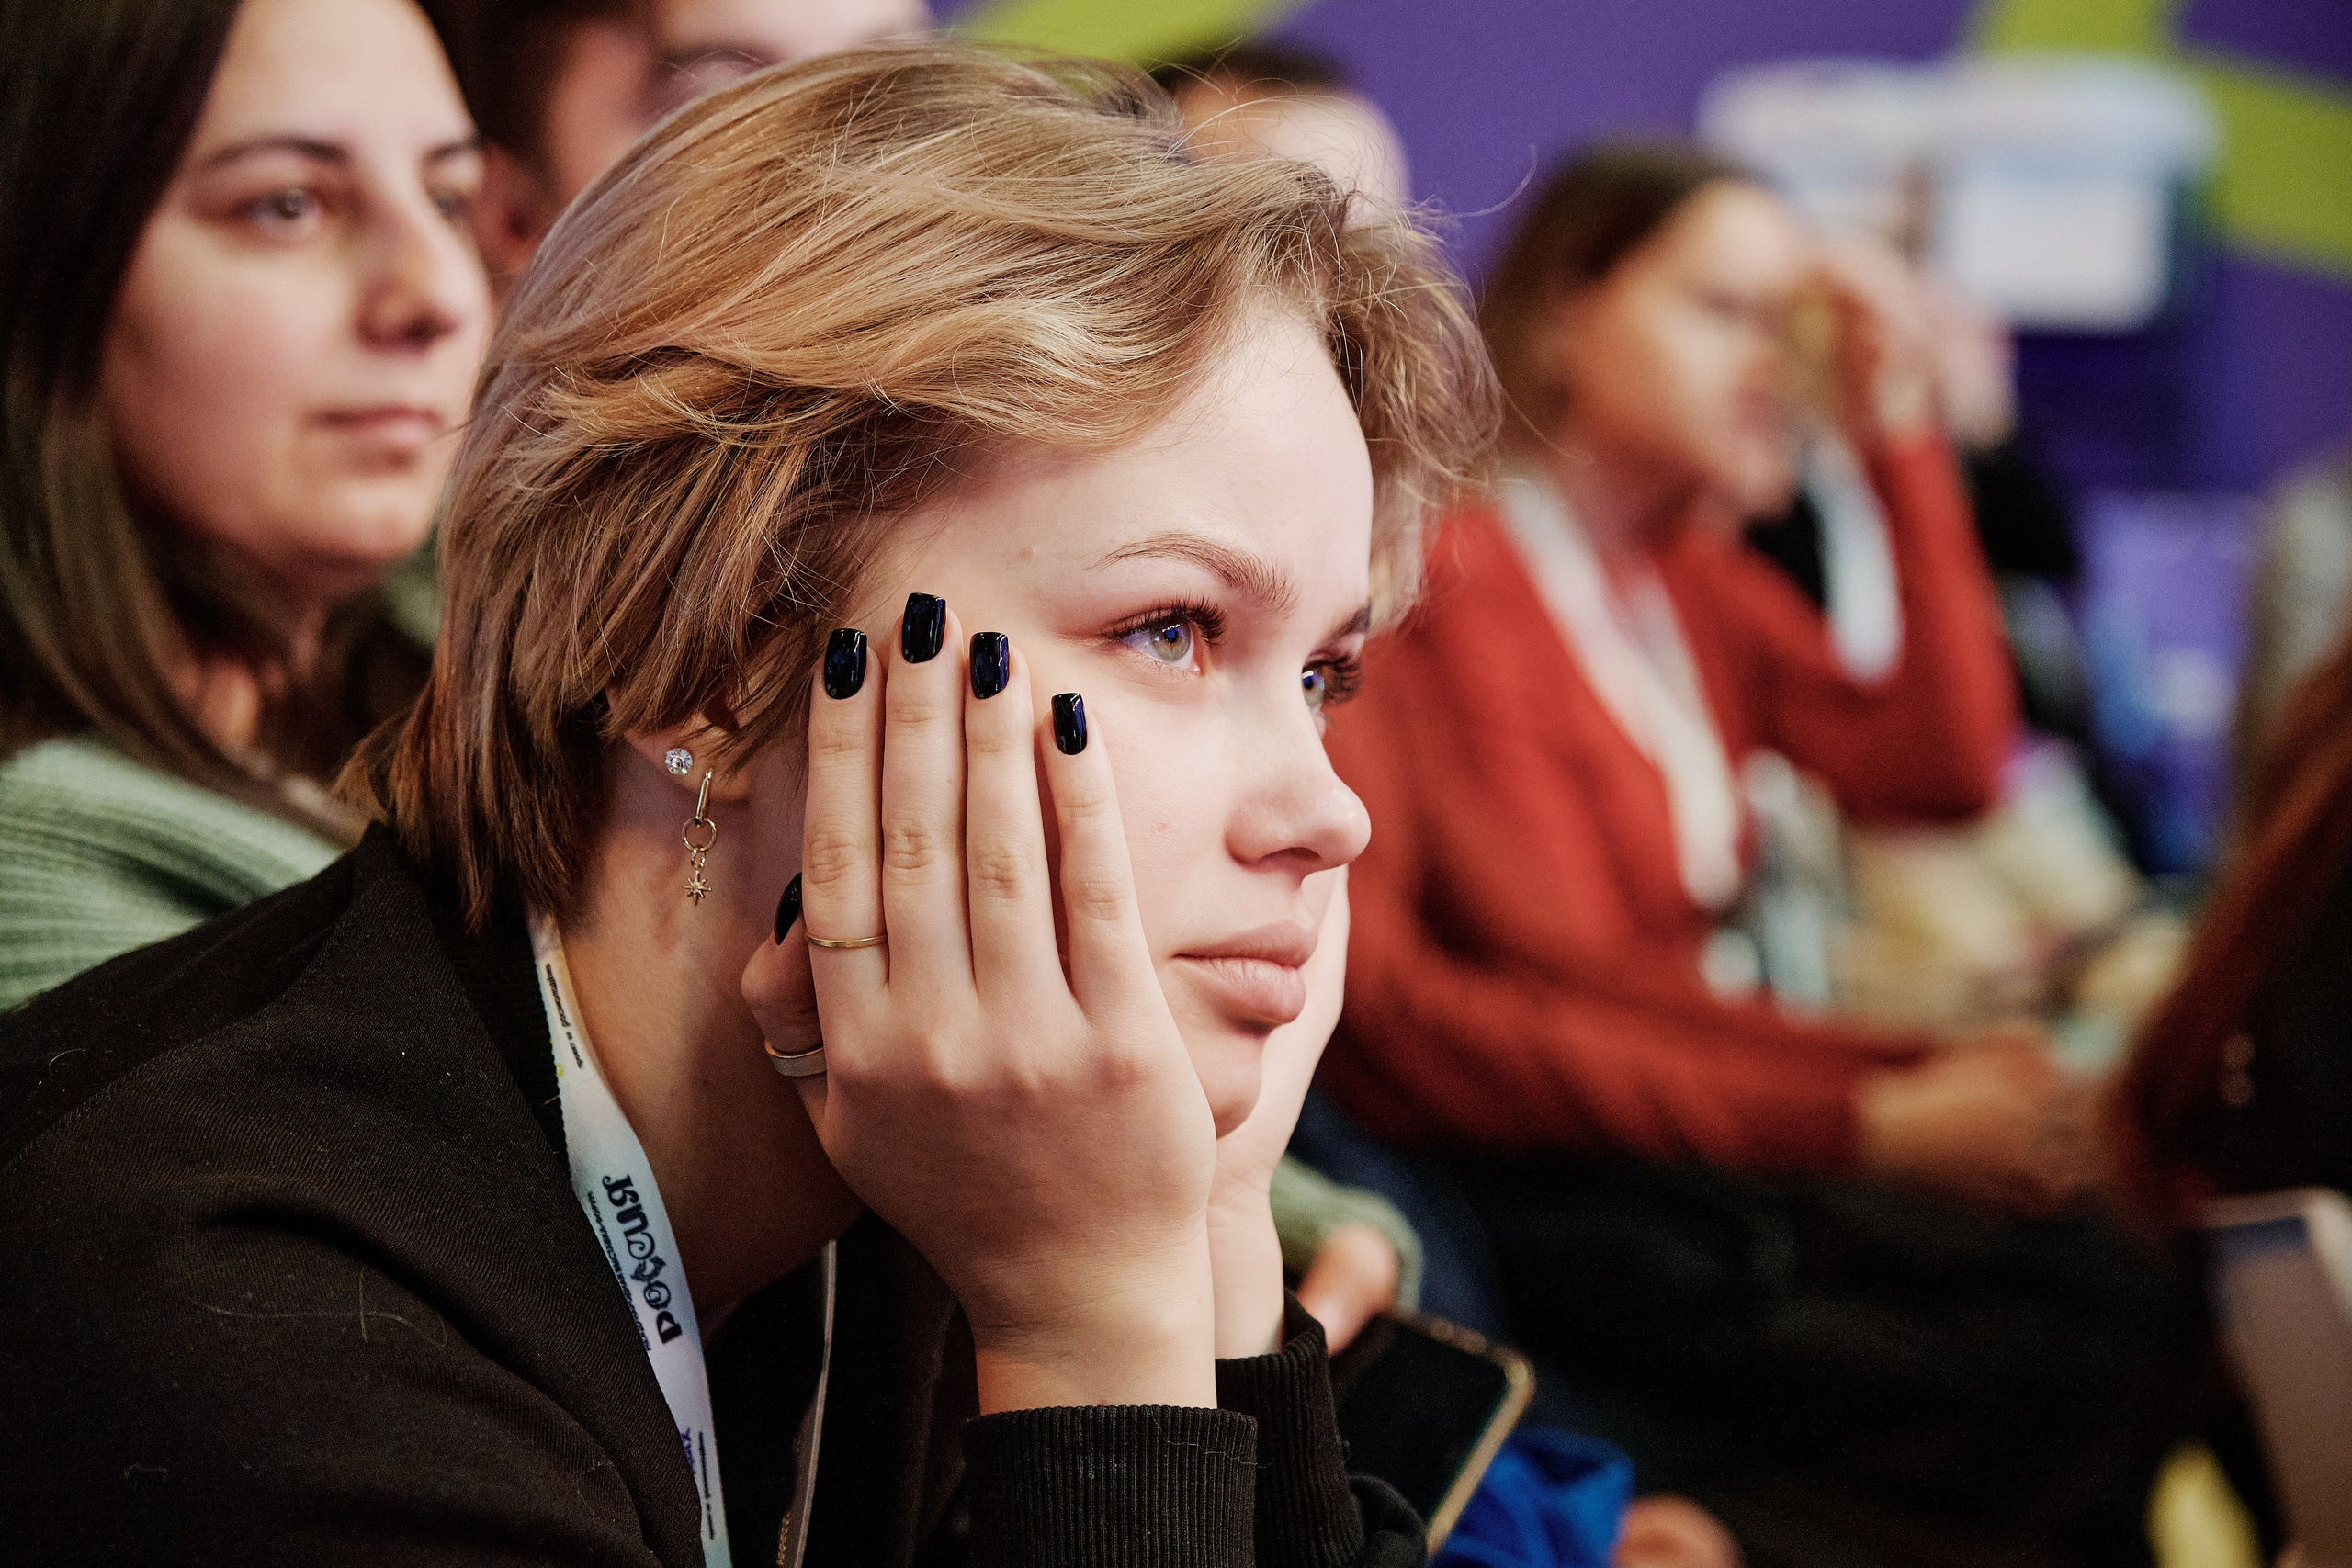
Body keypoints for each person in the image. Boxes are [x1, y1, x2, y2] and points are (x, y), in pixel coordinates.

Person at [0, 40, 1494, 1565]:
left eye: (1322, 674)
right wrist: (1092, 1336)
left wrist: (1211, 1233)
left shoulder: (944, 1146)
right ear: (700, 654)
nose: (1328, 812)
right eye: (1169, 630)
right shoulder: (233, 1303)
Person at [1318, 141, 2192, 1565]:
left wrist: (1899, 431)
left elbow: (1946, 767)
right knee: (2082, 1322)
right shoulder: (1435, 582)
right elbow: (1421, 1020)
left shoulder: (1689, 587)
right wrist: (1867, 1112)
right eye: (1727, 312)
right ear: (1566, 316)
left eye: (1787, 327)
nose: (1773, 364)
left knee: (2115, 1275)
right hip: (1546, 1190)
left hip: (1675, 1153)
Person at [0, 0, 492, 1010]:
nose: (436, 293)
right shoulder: (44, 881)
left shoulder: (484, 648)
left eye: (448, 199)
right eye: (286, 206)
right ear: (44, 261)